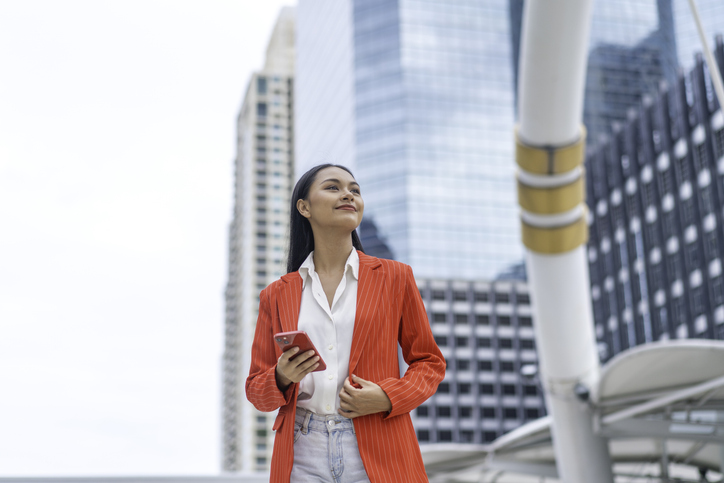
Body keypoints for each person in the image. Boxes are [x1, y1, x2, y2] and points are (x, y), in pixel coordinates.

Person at [246, 164, 445, 482]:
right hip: (301, 450)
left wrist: (387, 395)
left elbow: (430, 363)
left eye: (354, 189)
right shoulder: (276, 295)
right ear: (304, 207)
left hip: (379, 444)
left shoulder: (395, 277)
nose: (348, 194)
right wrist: (282, 376)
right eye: (333, 187)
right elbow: (257, 391)